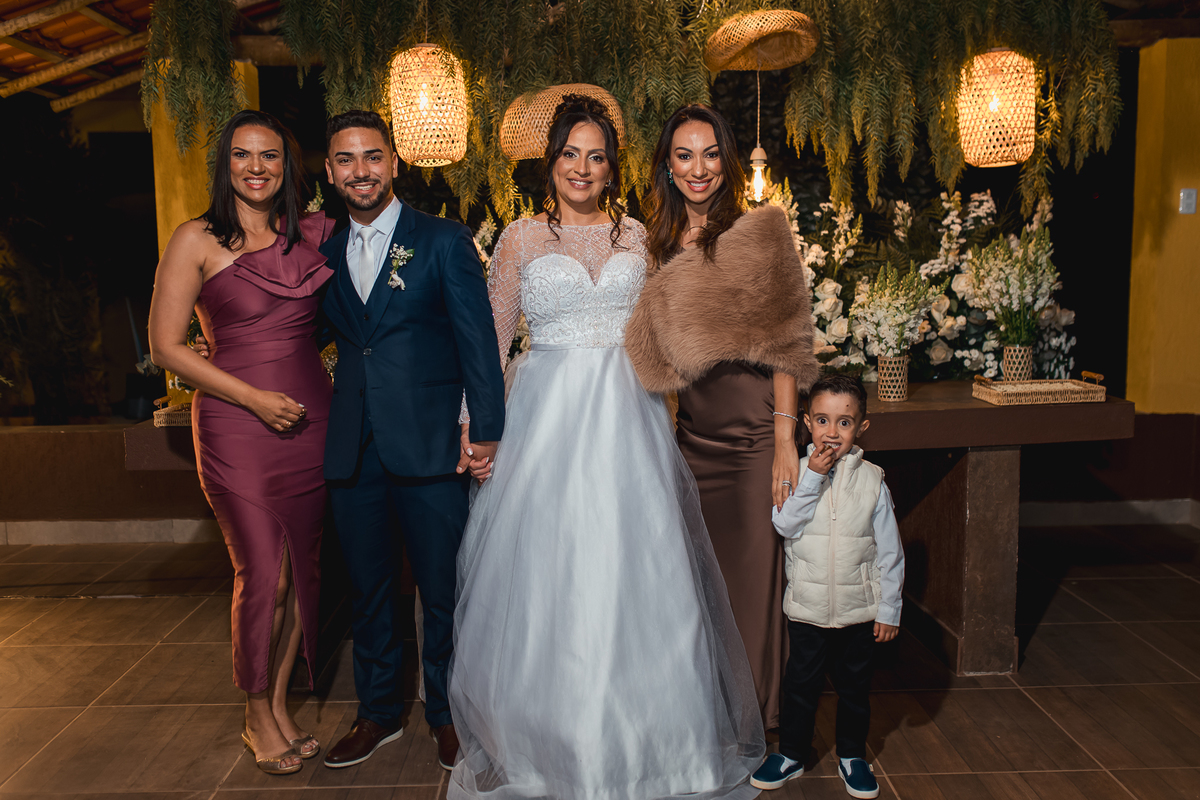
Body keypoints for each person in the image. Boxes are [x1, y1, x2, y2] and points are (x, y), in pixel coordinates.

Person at [447, 95, 765, 800]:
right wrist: (474, 423)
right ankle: (550, 749)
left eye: (596, 156)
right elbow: (489, 342)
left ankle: (659, 750)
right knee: (551, 576)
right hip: (545, 422)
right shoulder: (521, 239)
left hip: (627, 419)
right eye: (570, 154)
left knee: (639, 570)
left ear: (612, 166)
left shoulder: (638, 236)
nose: (582, 168)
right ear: (551, 162)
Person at [317, 110, 506, 771]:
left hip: (432, 446)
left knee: (444, 590)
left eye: (372, 156)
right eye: (346, 159)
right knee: (367, 590)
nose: (361, 170)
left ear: (394, 163)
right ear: (330, 171)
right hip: (354, 448)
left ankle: (448, 714)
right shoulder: (322, 253)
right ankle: (377, 713)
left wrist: (486, 431)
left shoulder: (443, 240)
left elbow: (479, 343)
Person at [148, 109, 335, 775]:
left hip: (312, 423)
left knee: (303, 572)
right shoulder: (196, 238)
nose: (257, 167)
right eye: (243, 155)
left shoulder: (309, 235)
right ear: (225, 164)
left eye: (270, 155)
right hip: (237, 425)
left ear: (288, 166)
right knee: (265, 574)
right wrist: (253, 398)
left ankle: (279, 702)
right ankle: (254, 712)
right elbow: (165, 346)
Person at [625, 105, 820, 730]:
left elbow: (787, 342)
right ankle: (710, 710)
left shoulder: (759, 231)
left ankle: (759, 718)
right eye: (684, 155)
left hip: (755, 434)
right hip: (692, 437)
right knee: (701, 583)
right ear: (667, 166)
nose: (698, 168)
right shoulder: (654, 245)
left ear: (727, 161)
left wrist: (785, 439)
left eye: (710, 154)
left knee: (754, 579)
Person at [753, 374, 904, 800]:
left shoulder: (873, 481)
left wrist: (889, 609)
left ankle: (853, 755)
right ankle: (791, 754)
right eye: (822, 420)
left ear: (861, 427)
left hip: (859, 609)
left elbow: (890, 552)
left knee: (854, 688)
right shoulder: (796, 473)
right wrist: (813, 479)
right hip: (808, 607)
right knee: (800, 686)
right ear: (807, 423)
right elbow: (784, 524)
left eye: (844, 422)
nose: (832, 432)